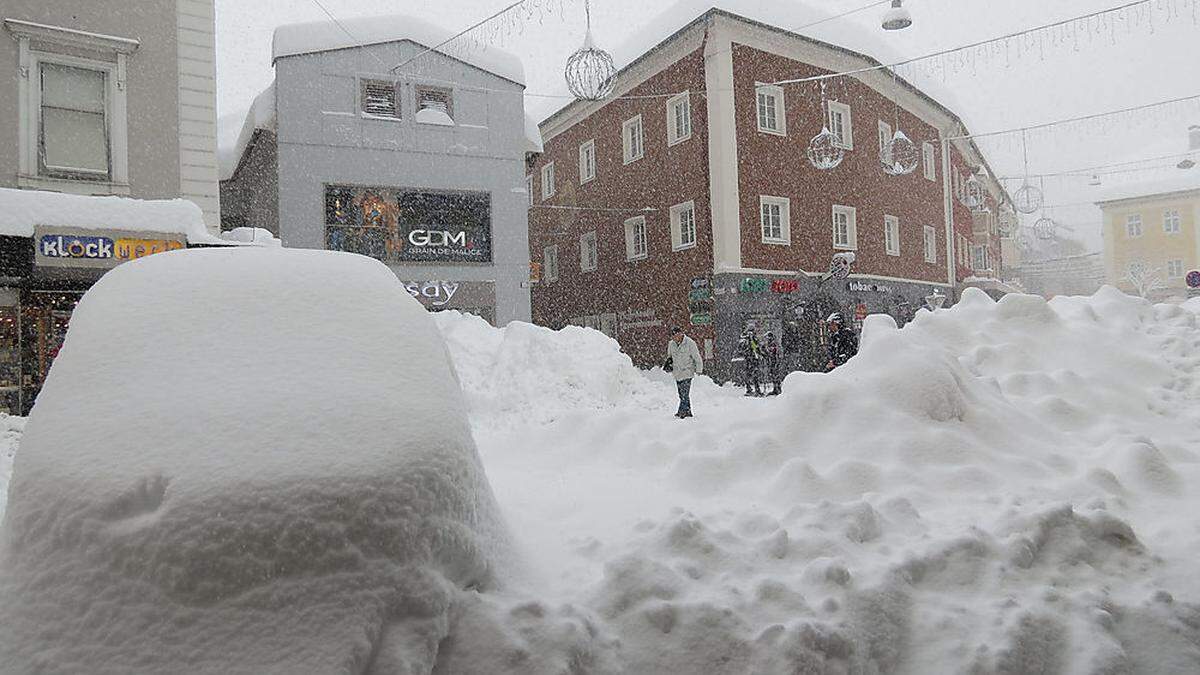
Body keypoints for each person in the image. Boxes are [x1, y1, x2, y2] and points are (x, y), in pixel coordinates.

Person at [666, 326, 703, 418]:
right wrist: (668, 364)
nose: (674, 338)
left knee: (684, 394)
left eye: (675, 336)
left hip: (687, 372)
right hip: (677, 373)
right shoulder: (671, 344)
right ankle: (688, 412)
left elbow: (697, 357)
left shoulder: (690, 343)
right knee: (681, 394)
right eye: (672, 337)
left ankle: (681, 412)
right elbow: (669, 356)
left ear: (680, 334)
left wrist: (699, 370)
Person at [735, 328, 763, 396]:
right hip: (753, 358)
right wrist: (761, 354)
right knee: (755, 374)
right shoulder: (752, 338)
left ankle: (748, 389)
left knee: (748, 373)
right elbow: (756, 347)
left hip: (747, 358)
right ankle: (757, 389)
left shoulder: (744, 337)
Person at [763, 331, 783, 395]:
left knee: (775, 375)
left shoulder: (773, 343)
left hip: (775, 361)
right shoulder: (770, 343)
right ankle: (775, 388)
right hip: (771, 361)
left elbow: (772, 352)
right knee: (773, 374)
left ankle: (778, 388)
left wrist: (766, 351)